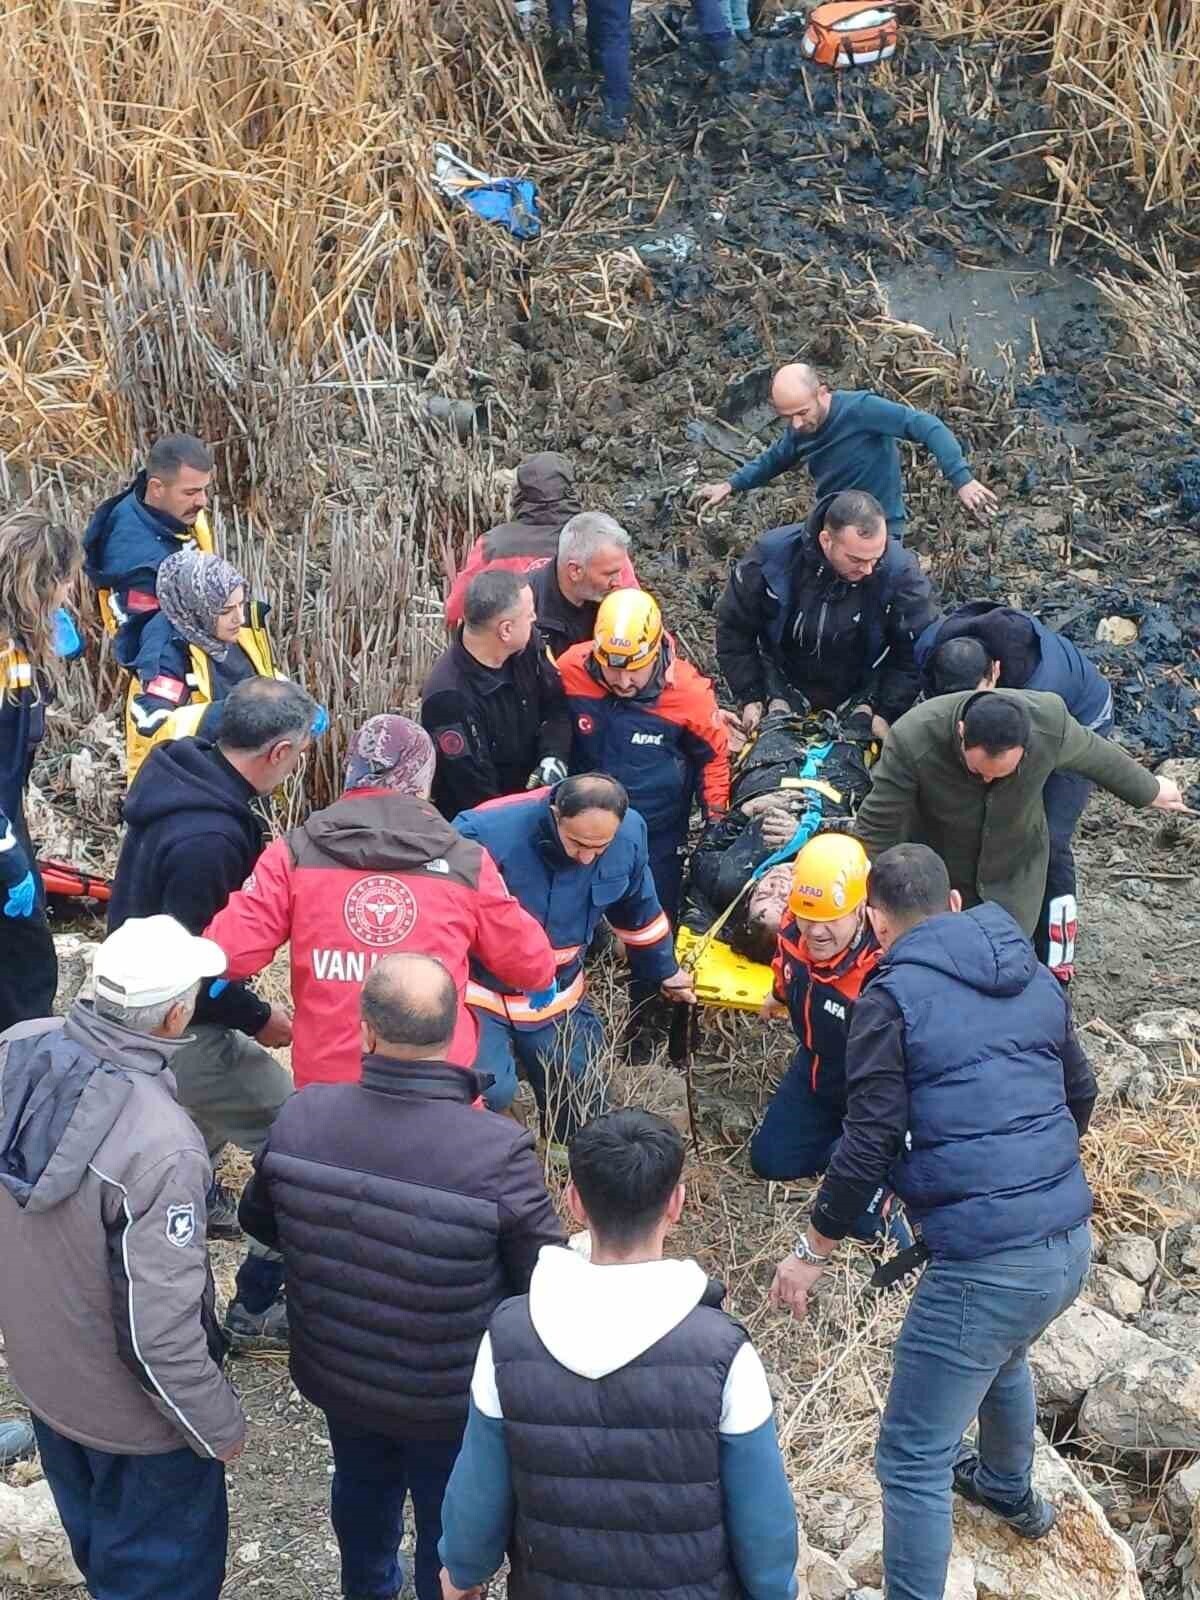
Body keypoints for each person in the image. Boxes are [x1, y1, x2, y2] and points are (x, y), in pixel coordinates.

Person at [769, 845, 1097, 1600]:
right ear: (951, 903)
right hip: (1068, 1242)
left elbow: (868, 1137)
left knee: (912, 1456)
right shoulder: (1030, 970)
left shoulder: (892, 996)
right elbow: (1080, 1094)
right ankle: (1010, 1490)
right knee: (1000, 1353)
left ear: (877, 923)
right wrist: (1031, 1174)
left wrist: (811, 1246)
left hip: (988, 1261)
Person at [238, 955, 564, 1600]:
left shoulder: (303, 1116)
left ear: (364, 1030)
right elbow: (542, 1280)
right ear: (457, 1033)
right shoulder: (496, 1151)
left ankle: (366, 1588)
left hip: (339, 1374)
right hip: (447, 1394)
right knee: (447, 1519)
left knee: (361, 1492)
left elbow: (262, 1224)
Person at [438, 1107, 799, 1600]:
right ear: (676, 1203)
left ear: (574, 1202)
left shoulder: (509, 1335)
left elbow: (479, 1489)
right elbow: (762, 1517)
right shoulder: (724, 1351)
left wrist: (463, 1572)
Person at [0, 915, 245, 1600]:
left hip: (48, 1384)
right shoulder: (162, 1146)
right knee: (165, 1580)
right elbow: (159, 1335)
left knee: (102, 1556)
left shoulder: (19, 1049)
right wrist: (217, 1424)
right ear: (174, 1017)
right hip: (140, 1431)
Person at [108, 676, 315, 1348]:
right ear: (277, 753)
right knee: (296, 1132)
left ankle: (191, 1191)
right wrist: (261, 1019)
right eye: (302, 753)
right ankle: (257, 1305)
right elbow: (200, 966)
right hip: (179, 1023)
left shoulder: (187, 772)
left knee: (184, 1122)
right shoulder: (210, 842)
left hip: (142, 998)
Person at [205, 715, 556, 1090]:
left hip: (329, 1085)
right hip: (437, 1081)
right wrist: (541, 974)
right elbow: (523, 955)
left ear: (351, 772)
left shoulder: (295, 852)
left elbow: (229, 950)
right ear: (423, 780)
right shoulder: (463, 860)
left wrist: (214, 969)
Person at [454, 776, 695, 1139]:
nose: (586, 858)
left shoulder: (629, 836)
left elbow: (639, 914)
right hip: (480, 994)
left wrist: (665, 970)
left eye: (599, 848)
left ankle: (564, 1166)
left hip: (558, 997)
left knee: (583, 1096)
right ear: (554, 814)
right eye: (578, 843)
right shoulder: (483, 833)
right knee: (482, 1092)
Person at [855, 688, 1185, 945]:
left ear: (1027, 748)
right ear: (960, 731)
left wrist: (1150, 789)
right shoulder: (914, 737)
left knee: (1008, 960)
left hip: (1014, 875)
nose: (987, 781)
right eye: (978, 771)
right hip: (942, 870)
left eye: (1001, 774)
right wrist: (860, 887)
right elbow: (878, 823)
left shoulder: (1049, 723)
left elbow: (1096, 756)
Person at [915, 601, 1114, 979]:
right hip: (994, 723)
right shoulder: (932, 650)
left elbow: (1020, 779)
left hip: (1081, 719)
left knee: (1047, 839)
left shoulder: (1042, 696)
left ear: (995, 674)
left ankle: (1057, 960)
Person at [749, 834, 902, 1252]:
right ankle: (840, 1148)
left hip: (870, 1089)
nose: (815, 932)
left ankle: (878, 1167)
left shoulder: (884, 965)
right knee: (770, 1161)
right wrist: (778, 994)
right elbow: (786, 965)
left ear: (860, 910)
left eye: (830, 920)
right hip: (816, 1068)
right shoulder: (793, 930)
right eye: (805, 917)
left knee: (859, 1197)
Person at [558, 588, 730, 922]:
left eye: (634, 670)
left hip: (655, 832)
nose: (623, 681)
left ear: (655, 651)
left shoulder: (689, 695)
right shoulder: (571, 670)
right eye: (611, 670)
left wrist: (716, 821)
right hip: (580, 825)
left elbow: (714, 759)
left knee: (652, 921)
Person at [716, 489, 937, 740]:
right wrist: (751, 695)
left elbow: (915, 648)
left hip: (863, 690)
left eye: (876, 557)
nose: (867, 569)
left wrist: (886, 709)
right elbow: (734, 628)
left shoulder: (900, 572)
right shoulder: (772, 557)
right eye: (856, 559)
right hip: (782, 681)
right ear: (826, 540)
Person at [695, 362, 998, 541]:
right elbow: (774, 459)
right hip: (834, 524)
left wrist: (962, 479)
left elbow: (925, 425)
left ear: (822, 393)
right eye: (788, 417)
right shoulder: (801, 427)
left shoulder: (862, 409)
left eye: (802, 412)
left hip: (881, 526)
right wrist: (730, 484)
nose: (796, 424)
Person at [682, 708, 874, 964]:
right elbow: (871, 835)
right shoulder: (836, 883)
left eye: (763, 895)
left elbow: (708, 847)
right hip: (838, 780)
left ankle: (779, 705)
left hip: (769, 771)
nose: (777, 885)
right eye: (784, 899)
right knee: (854, 726)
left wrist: (746, 810)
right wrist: (809, 833)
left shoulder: (724, 880)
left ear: (747, 902)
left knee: (779, 715)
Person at [1, 511, 83, 1033]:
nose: (73, 591)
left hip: (9, 816)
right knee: (25, 974)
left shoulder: (20, 653)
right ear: (43, 582)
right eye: (67, 578)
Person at [422, 570, 572, 818]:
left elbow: (556, 704)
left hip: (537, 791)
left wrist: (553, 755)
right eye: (529, 614)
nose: (535, 618)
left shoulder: (528, 645)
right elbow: (474, 792)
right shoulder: (448, 698)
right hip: (487, 822)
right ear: (505, 630)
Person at [125, 548, 281, 784]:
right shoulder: (166, 656)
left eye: (241, 604)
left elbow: (263, 674)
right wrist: (232, 713)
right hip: (193, 784)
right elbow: (153, 726)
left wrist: (293, 699)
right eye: (226, 610)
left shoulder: (238, 630)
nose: (239, 617)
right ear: (196, 609)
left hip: (243, 769)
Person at [84, 433, 215, 666]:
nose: (203, 501)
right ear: (156, 488)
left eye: (205, 489)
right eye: (191, 492)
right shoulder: (138, 563)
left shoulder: (172, 509)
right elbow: (149, 645)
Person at [444, 452, 583, 628]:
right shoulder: (598, 542)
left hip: (509, 650)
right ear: (571, 492)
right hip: (584, 651)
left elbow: (455, 610)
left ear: (520, 493)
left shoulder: (493, 546)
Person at [528, 511, 637, 661]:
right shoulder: (524, 613)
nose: (617, 581)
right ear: (575, 571)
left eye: (619, 571)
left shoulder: (617, 602)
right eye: (609, 574)